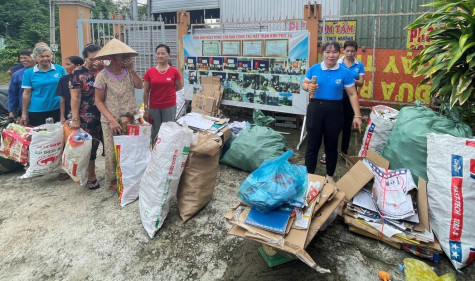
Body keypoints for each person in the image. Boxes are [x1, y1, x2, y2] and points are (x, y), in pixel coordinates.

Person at [301, 41, 362, 184]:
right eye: (327, 52)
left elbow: (353, 94)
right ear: (323, 53)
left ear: (338, 53)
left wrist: (357, 115)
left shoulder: (344, 72)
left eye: (334, 52)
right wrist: (308, 87)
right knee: (312, 145)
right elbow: (304, 83)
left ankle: (329, 176)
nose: (331, 55)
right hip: (316, 108)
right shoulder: (314, 69)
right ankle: (309, 176)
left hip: (335, 110)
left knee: (331, 145)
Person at [93, 39, 143, 191]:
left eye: (126, 56)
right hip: (111, 120)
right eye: (122, 56)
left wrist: (133, 69)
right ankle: (113, 179)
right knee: (112, 151)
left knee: (131, 149)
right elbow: (98, 101)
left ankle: (129, 175)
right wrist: (111, 120)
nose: (126, 59)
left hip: (130, 118)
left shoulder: (128, 72)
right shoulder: (102, 75)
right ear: (113, 58)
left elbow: (140, 85)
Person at [320, 40, 365, 164]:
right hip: (338, 97)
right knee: (333, 127)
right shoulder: (337, 63)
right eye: (347, 50)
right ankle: (327, 151)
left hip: (351, 98)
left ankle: (344, 152)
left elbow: (361, 83)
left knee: (347, 127)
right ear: (343, 51)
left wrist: (349, 80)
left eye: (352, 51)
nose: (350, 53)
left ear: (356, 51)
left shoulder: (359, 65)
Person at [69, 45, 104, 189]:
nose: (95, 61)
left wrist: (102, 69)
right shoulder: (77, 73)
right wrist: (76, 118)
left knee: (109, 145)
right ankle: (91, 176)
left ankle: (113, 174)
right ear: (85, 58)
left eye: (98, 58)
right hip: (87, 115)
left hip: (106, 113)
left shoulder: (104, 71)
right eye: (92, 58)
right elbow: (75, 96)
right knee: (91, 146)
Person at [143, 44, 183, 141]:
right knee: (155, 130)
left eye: (163, 53)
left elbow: (179, 87)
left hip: (169, 106)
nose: (160, 56)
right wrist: (146, 108)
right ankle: (156, 151)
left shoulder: (174, 71)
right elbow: (146, 91)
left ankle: (167, 152)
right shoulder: (150, 72)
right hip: (154, 106)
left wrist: (169, 93)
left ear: (168, 55)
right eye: (158, 53)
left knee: (168, 131)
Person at [20, 45, 66, 127]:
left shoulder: (60, 69)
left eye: (47, 56)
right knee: (39, 135)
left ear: (51, 56)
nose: (45, 58)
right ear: (35, 58)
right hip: (37, 110)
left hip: (57, 108)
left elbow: (65, 90)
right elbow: (26, 94)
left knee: (58, 136)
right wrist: (24, 113)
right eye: (42, 56)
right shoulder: (29, 73)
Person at [7, 50, 35, 119]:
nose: (22, 60)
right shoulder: (17, 74)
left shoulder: (43, 72)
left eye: (25, 58)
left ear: (34, 58)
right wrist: (11, 110)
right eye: (21, 58)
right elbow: (13, 94)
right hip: (23, 109)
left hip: (42, 108)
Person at [56, 56, 84, 123]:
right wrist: (62, 116)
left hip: (85, 112)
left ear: (78, 66)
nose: (66, 67)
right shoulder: (63, 79)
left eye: (68, 64)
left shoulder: (86, 78)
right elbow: (62, 99)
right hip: (69, 114)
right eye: (66, 64)